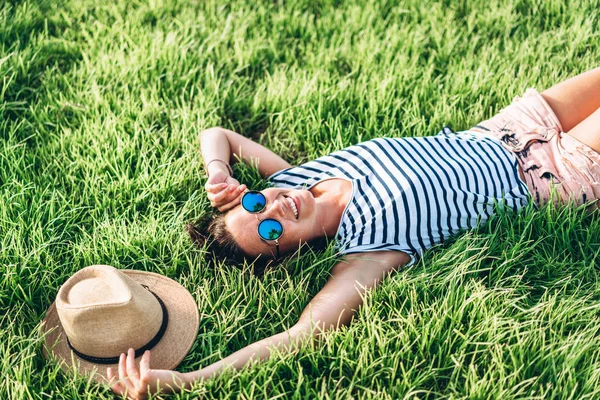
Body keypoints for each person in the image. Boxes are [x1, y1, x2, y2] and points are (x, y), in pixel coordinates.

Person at [108, 67, 600, 399]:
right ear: (289, 252)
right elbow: (304, 333)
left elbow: (218, 135)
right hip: (552, 176)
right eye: (272, 228)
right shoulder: (367, 250)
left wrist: (218, 170)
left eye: (256, 204)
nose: (277, 206)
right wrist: (189, 380)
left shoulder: (294, 178)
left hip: (501, 130)